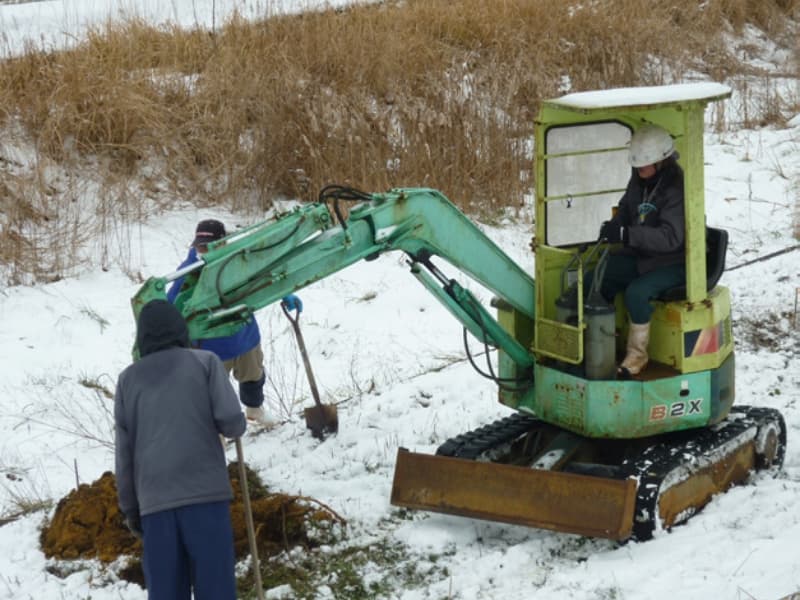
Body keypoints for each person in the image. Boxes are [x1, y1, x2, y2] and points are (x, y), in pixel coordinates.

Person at [115, 299, 246, 600]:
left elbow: (124, 454)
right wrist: (237, 424)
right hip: (205, 498)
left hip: (154, 505)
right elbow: (231, 423)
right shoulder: (205, 362)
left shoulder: (127, 381)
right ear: (180, 329)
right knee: (215, 589)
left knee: (166, 593)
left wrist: (131, 509)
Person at [167, 219, 303, 425]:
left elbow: (261, 277)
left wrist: (284, 294)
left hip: (244, 333)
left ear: (224, 243)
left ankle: (254, 409)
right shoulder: (187, 273)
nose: (204, 250)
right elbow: (171, 305)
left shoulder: (237, 261)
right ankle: (216, 429)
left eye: (210, 245)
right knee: (212, 390)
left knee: (254, 374)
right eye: (200, 246)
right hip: (212, 344)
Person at [595, 124, 686, 378]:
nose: (639, 169)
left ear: (662, 161)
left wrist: (628, 235)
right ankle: (600, 343)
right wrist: (615, 225)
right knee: (598, 277)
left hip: (672, 262)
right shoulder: (639, 179)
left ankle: (638, 355)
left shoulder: (675, 188)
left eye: (645, 164)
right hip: (644, 256)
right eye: (636, 165)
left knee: (637, 292)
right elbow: (627, 207)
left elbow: (671, 238)